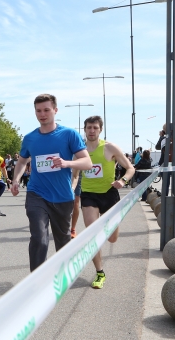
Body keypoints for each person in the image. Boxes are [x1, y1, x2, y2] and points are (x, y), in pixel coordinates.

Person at [11, 94, 91, 272]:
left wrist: (66, 163)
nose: (42, 114)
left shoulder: (69, 134)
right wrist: (16, 179)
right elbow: (23, 161)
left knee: (63, 239)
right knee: (39, 237)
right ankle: (37, 280)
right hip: (36, 193)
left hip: (62, 196)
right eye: (38, 111)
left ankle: (64, 273)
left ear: (55, 110)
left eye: (46, 110)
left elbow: (87, 162)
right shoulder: (30, 138)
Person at [72, 116, 135, 289]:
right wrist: (72, 188)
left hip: (109, 193)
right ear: (84, 129)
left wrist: (122, 181)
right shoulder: (79, 151)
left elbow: (130, 168)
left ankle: (109, 233)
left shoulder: (110, 148)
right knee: (93, 235)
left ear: (100, 130)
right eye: (89, 128)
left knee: (112, 238)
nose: (92, 131)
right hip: (89, 195)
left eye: (95, 128)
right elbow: (75, 175)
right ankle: (100, 272)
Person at [70, 173, 82, 239]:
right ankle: (63, 227)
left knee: (76, 202)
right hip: (63, 172)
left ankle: (73, 229)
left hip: (77, 173)